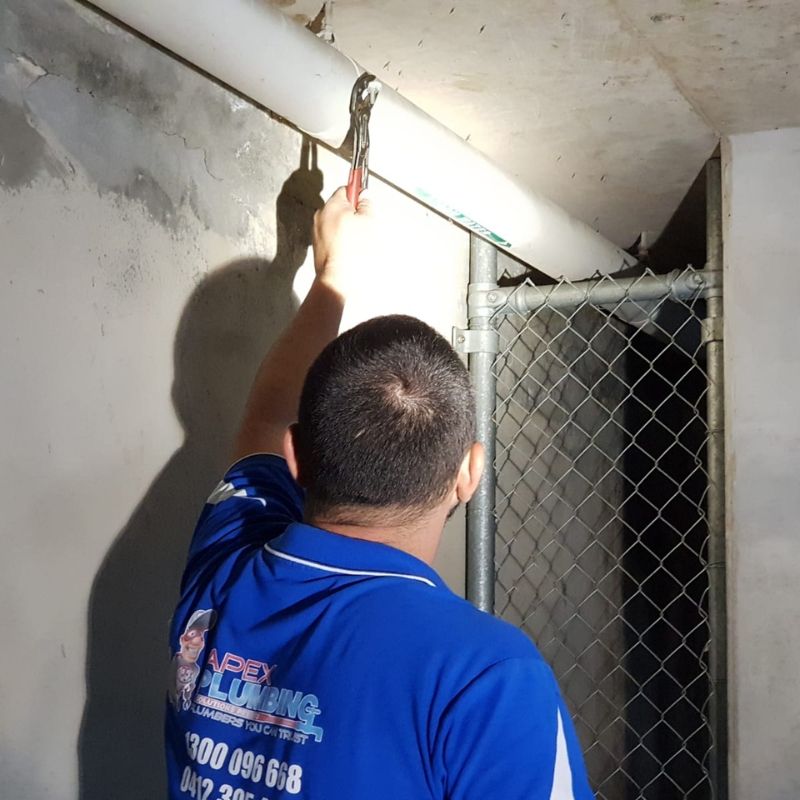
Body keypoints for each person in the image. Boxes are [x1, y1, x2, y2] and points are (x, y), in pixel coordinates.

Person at [165, 186, 594, 799]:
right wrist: (332, 272)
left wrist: (333, 271)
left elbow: (264, 419)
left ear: (297, 456)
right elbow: (269, 422)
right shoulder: (486, 678)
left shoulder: (225, 570)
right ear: (470, 474)